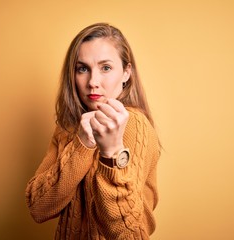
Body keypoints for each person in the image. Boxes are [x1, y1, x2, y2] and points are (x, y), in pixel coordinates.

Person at [25, 22, 161, 239]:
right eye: (83, 69)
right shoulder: (67, 128)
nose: (93, 82)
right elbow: (39, 208)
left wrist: (112, 152)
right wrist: (82, 144)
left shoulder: (133, 124)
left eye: (105, 68)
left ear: (126, 73)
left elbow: (130, 235)